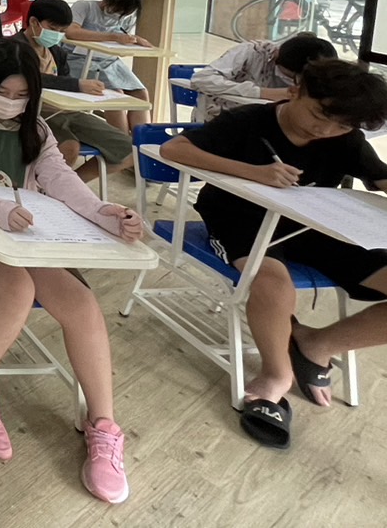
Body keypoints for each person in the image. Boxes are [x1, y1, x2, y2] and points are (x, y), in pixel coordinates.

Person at [0, 40, 141, 503]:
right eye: (3, 92)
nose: (13, 103)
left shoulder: (34, 127)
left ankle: (103, 424)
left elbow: (59, 177)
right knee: (16, 288)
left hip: (21, 229)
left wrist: (102, 212)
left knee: (81, 303)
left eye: (23, 95)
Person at [158, 60, 387, 450]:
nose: (325, 130)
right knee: (274, 284)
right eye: (319, 116)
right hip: (239, 219)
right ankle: (277, 375)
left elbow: (379, 177)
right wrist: (253, 172)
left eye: (341, 126)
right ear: (295, 90)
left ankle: (318, 344)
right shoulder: (248, 121)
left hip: (313, 225)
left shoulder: (345, 139)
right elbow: (173, 148)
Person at [8, 0, 133, 183]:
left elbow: (63, 80)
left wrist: (87, 91)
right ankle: (48, 189)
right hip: (31, 113)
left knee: (130, 150)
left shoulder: (56, 51)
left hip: (65, 111)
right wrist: (77, 85)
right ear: (33, 22)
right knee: (69, 148)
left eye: (61, 31)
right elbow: (29, 78)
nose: (57, 35)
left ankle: (69, 186)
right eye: (53, 29)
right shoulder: (12, 48)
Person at [190, 33, 337, 122]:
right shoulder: (252, 52)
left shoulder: (323, 68)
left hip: (284, 127)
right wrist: (262, 92)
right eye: (291, 77)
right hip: (224, 122)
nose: (295, 83)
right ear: (277, 58)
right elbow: (201, 79)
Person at [65, 0, 150, 131]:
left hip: (109, 60)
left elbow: (122, 35)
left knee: (141, 94)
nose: (117, 14)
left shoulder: (128, 17)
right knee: (115, 95)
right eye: (116, 8)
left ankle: (141, 140)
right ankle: (121, 140)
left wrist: (134, 40)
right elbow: (71, 32)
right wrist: (113, 37)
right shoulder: (84, 7)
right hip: (78, 59)